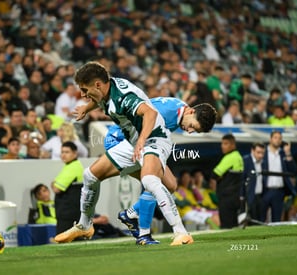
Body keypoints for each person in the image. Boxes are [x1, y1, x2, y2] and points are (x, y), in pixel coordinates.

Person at [55, 62, 214, 245]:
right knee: (89, 175)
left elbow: (150, 114)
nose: (82, 95)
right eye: (194, 127)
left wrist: (141, 140)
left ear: (98, 84)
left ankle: (180, 233)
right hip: (132, 140)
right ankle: (85, 225)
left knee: (151, 180)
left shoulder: (124, 97)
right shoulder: (108, 89)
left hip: (154, 139)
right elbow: (106, 100)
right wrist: (87, 108)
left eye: (84, 89)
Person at [113, 96, 217, 242]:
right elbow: (142, 121)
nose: (189, 131)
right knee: (152, 181)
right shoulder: (167, 112)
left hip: (144, 142)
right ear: (191, 112)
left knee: (171, 185)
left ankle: (131, 214)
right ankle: (148, 233)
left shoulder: (180, 112)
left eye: (194, 131)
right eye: (192, 126)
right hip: (125, 141)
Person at [261, 131, 297, 222]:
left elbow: (292, 170)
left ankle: (274, 236)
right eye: (275, 137)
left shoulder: (283, 153)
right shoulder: (263, 152)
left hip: (279, 191)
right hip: (265, 190)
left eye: (280, 138)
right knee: (261, 218)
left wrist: (288, 152)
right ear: (270, 139)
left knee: (276, 220)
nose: (278, 140)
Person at [210, 134, 244, 229]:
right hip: (236, 195)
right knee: (234, 226)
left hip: (227, 198)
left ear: (233, 145)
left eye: (226, 143)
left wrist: (220, 177)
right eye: (222, 143)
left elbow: (214, 175)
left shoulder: (230, 157)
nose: (222, 146)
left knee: (226, 227)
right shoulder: (239, 157)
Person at [51, 141, 84, 235]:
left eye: (67, 152)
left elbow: (57, 188)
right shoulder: (72, 166)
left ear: (74, 153)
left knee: (64, 241)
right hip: (72, 211)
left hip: (68, 213)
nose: (63, 155)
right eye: (62, 152)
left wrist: (53, 183)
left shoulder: (72, 167)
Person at [240, 142, 266, 223]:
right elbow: (241, 179)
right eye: (258, 152)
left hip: (261, 196)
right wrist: (241, 195)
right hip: (250, 196)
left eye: (262, 153)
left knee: (260, 219)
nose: (260, 155)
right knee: (251, 221)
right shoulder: (245, 161)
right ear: (252, 151)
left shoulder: (264, 163)